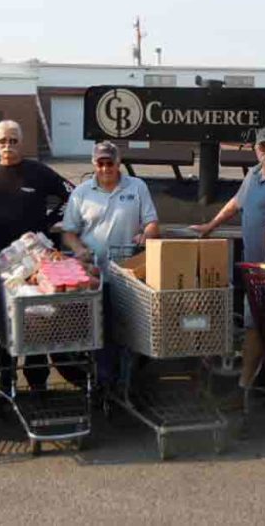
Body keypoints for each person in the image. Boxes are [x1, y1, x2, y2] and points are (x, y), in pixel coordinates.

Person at [190, 127, 265, 393]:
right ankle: (252, 381)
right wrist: (211, 224)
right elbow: (235, 203)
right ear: (256, 149)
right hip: (253, 267)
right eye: (262, 147)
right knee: (256, 322)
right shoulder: (253, 175)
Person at [0, 119, 74, 391]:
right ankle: (5, 382)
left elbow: (72, 196)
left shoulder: (39, 173)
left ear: (21, 142)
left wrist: (49, 222)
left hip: (35, 267)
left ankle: (38, 382)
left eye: (13, 140)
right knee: (2, 326)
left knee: (35, 322)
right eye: (2, 141)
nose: (8, 146)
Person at [61, 140, 160, 386]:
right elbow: (69, 232)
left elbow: (151, 222)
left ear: (118, 163)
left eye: (110, 163)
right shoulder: (81, 193)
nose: (105, 169)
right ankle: (104, 386)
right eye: (101, 163)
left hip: (129, 276)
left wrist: (146, 234)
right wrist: (79, 249)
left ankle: (128, 382)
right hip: (95, 276)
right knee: (100, 332)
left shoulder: (137, 187)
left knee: (130, 331)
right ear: (94, 164)